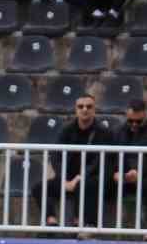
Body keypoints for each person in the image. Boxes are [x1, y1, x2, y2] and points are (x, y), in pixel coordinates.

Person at [48, 94, 112, 227]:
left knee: (84, 185)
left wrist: (80, 177)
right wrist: (63, 179)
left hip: (93, 178)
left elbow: (99, 161)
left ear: (94, 110)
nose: (84, 109)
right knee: (39, 187)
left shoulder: (103, 132)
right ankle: (51, 221)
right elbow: (55, 155)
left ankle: (80, 222)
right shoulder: (66, 129)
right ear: (75, 109)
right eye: (80, 106)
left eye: (89, 106)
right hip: (68, 177)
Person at [111, 99, 147, 229]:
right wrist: (116, 172)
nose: (134, 125)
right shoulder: (119, 130)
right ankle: (90, 224)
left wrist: (138, 172)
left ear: (146, 115)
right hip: (123, 174)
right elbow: (113, 156)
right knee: (97, 181)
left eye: (138, 121)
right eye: (131, 121)